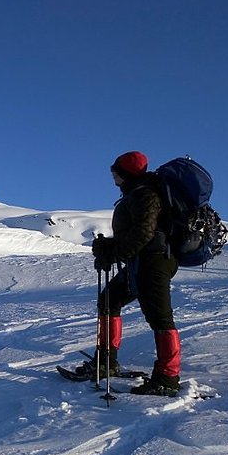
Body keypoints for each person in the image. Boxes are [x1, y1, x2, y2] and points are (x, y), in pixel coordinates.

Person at [75, 150, 181, 396]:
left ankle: (168, 376)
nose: (113, 176)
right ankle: (106, 361)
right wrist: (109, 247)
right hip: (141, 262)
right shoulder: (137, 193)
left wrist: (114, 254)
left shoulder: (145, 194)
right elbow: (135, 232)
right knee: (109, 299)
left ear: (125, 173)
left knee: (160, 317)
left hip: (154, 262)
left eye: (115, 172)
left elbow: (144, 233)